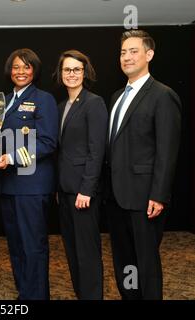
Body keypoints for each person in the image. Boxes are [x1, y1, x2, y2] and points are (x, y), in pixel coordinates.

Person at [106, 30, 181, 300]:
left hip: (145, 198)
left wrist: (158, 195)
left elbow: (167, 150)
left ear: (149, 55)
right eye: (123, 52)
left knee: (146, 264)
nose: (126, 57)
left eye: (133, 51)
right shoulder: (116, 97)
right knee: (124, 261)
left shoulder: (163, 95)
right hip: (116, 197)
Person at [0, 48, 58, 300]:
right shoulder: (1, 101)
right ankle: (25, 294)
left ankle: (36, 297)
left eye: (26, 67)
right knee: (16, 246)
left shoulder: (44, 99)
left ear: (34, 70)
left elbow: (48, 142)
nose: (20, 72)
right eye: (16, 67)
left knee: (33, 246)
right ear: (10, 71)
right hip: (7, 185)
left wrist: (12, 158)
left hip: (32, 185)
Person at [54, 50, 107, 299]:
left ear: (84, 73)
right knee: (72, 252)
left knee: (87, 253)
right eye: (67, 69)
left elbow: (97, 151)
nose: (71, 74)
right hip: (65, 192)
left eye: (76, 69)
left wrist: (86, 189)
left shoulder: (94, 103)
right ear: (60, 73)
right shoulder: (61, 105)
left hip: (83, 193)